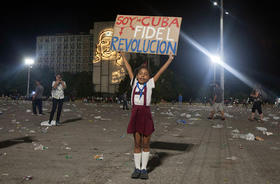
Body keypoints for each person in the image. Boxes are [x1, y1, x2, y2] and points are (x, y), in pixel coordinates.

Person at [120, 52, 174, 180]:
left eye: (145, 74)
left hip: (145, 114)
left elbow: (160, 72)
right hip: (135, 114)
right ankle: (137, 168)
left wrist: (170, 60)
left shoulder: (150, 83)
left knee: (146, 143)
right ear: (137, 75)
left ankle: (144, 169)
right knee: (137, 143)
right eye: (140, 74)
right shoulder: (133, 82)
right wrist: (122, 56)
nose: (142, 76)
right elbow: (128, 68)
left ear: (149, 77)